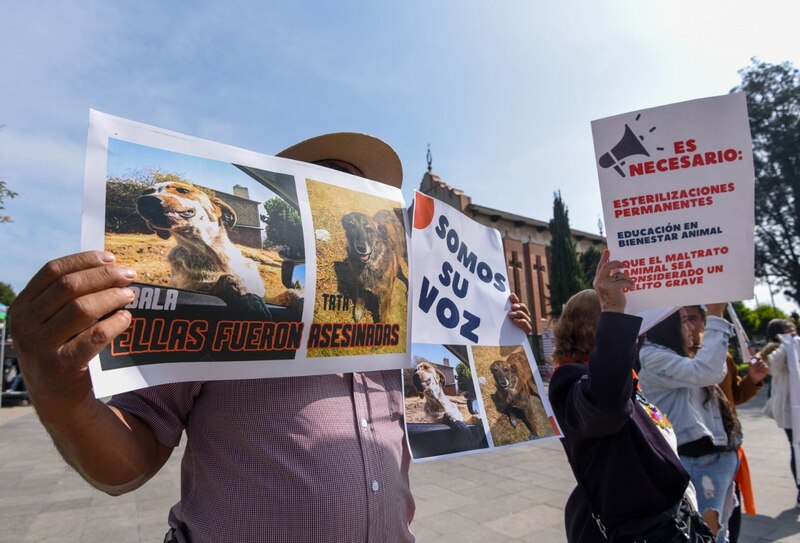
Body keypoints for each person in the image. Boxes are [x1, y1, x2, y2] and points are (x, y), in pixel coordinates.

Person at [9, 132, 533, 543]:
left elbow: (464, 389)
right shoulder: (218, 312)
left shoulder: (397, 319)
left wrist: (499, 324)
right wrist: (60, 393)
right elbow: (125, 465)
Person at [549, 250, 710, 543]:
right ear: (590, 328)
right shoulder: (569, 379)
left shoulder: (621, 375)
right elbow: (605, 406)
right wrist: (613, 310)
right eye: (621, 320)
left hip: (672, 521)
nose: (633, 332)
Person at [638, 304, 737, 542]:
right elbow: (707, 371)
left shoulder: (676, 354)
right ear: (666, 327)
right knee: (707, 535)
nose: (691, 327)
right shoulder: (652, 356)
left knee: (721, 531)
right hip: (692, 460)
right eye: (683, 320)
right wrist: (716, 314)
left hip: (713, 457)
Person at [684, 305, 769, 542]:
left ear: (703, 322)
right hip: (694, 454)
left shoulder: (724, 356)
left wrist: (753, 379)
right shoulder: (676, 360)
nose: (688, 325)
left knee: (730, 517)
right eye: (682, 320)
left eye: (692, 318)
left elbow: (735, 395)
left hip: (727, 449)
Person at [761, 318, 800, 508]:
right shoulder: (776, 351)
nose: (793, 331)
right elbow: (774, 363)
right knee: (796, 447)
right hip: (789, 408)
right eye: (788, 329)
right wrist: (787, 344)